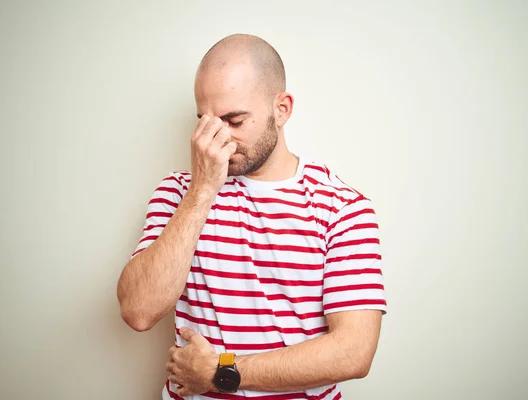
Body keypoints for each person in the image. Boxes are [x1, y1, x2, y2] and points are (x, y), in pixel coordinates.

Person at [117, 33, 387, 400]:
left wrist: (221, 371)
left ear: (282, 108)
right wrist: (202, 191)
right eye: (206, 121)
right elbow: (139, 311)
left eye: (234, 120)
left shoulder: (341, 207)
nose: (218, 140)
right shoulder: (179, 192)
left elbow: (353, 352)